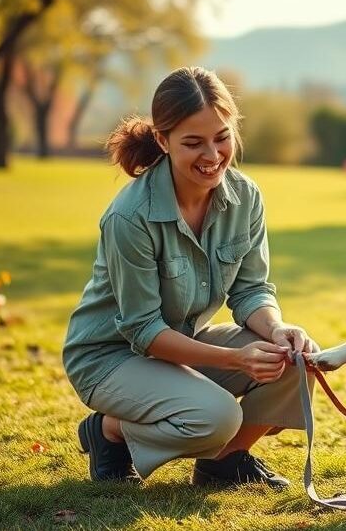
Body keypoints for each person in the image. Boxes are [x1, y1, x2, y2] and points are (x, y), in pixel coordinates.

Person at [62, 66, 317, 487]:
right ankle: (108, 430)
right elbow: (143, 330)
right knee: (216, 417)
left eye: (221, 137)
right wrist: (236, 359)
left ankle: (225, 462)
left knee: (297, 361)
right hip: (111, 358)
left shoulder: (245, 197)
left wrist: (277, 329)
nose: (212, 155)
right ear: (163, 141)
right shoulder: (130, 217)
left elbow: (252, 290)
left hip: (182, 345)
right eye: (193, 143)